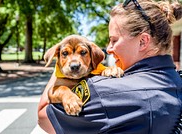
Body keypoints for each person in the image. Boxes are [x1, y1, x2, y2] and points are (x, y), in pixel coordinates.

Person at [38, 0, 182, 133]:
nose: (108, 49)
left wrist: (60, 65)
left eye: (114, 40)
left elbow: (44, 116)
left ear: (143, 42)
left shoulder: (103, 92)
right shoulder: (177, 80)